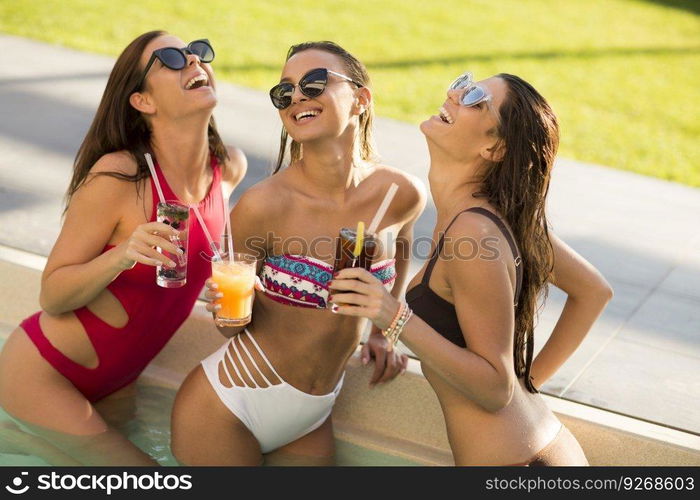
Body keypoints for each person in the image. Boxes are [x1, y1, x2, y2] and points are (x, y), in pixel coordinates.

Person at [330, 72, 613, 466]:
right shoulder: (495, 215)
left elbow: (496, 390)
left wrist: (391, 316)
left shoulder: (475, 232)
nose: (454, 94)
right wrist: (526, 385)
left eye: (475, 98)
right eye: (463, 84)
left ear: (494, 148)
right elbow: (594, 290)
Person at [171, 41, 427, 466]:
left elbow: (400, 251)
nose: (297, 98)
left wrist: (384, 331)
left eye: (314, 83)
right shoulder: (264, 204)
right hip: (228, 405)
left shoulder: (399, 193)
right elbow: (229, 323)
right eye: (284, 91)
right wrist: (228, 308)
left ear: (361, 99)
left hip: (313, 415)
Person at [0, 30, 247, 465]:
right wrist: (123, 254)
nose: (193, 61)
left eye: (197, 52)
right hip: (44, 372)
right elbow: (52, 294)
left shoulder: (227, 167)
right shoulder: (118, 177)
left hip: (121, 381)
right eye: (171, 59)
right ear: (143, 102)